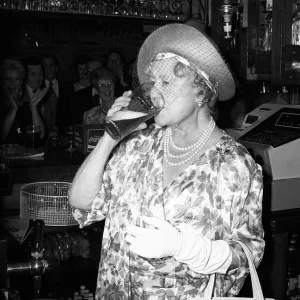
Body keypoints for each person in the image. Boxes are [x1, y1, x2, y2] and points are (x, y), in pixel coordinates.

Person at [69, 24, 265, 299]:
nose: (153, 94)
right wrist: (110, 138)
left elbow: (248, 254)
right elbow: (80, 201)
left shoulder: (235, 165)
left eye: (167, 83)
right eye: (152, 83)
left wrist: (187, 247)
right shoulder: (137, 146)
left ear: (201, 92)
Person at [0, 58, 45, 143]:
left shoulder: (25, 107)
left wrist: (34, 108)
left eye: (16, 79)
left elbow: (41, 136)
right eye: (8, 79)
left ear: (21, 82)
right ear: (2, 82)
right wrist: (13, 108)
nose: (12, 83)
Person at [41, 53, 74, 135]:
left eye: (51, 65)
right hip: (41, 132)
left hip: (62, 134)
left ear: (56, 68)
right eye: (45, 66)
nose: (48, 69)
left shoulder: (68, 88)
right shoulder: (37, 88)